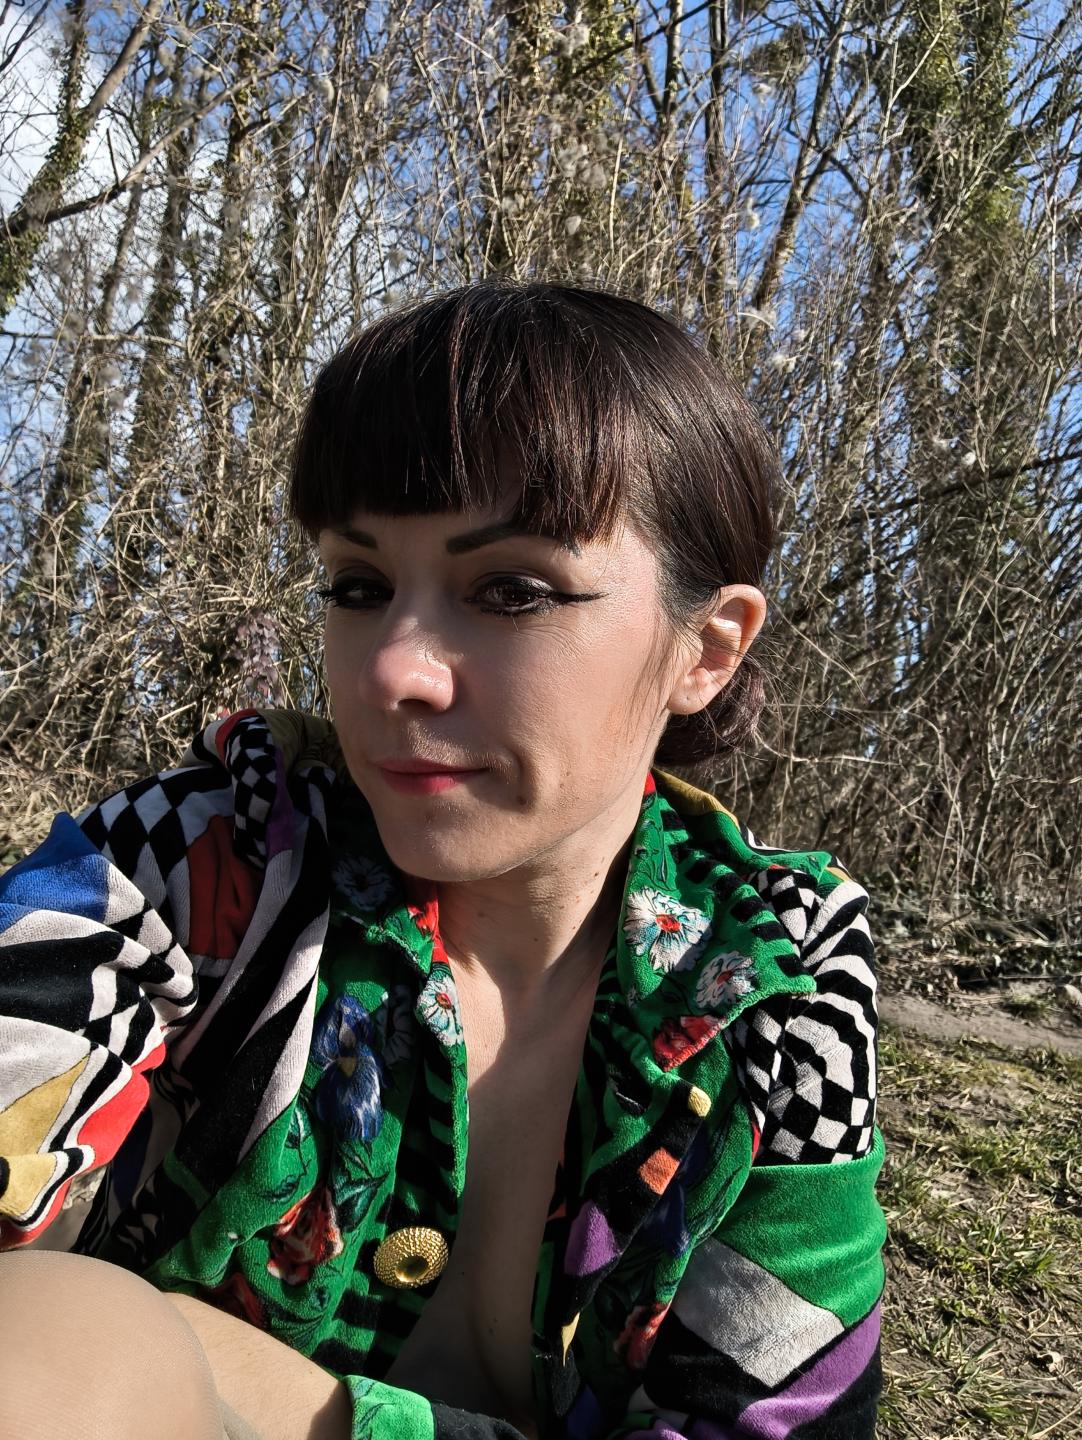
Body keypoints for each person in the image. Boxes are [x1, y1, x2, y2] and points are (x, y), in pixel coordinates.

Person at [0, 281, 885, 1440]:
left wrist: (210, 1362)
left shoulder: (779, 968)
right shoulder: (190, 864)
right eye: (359, 586)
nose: (391, 672)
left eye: (510, 590)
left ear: (704, 650)